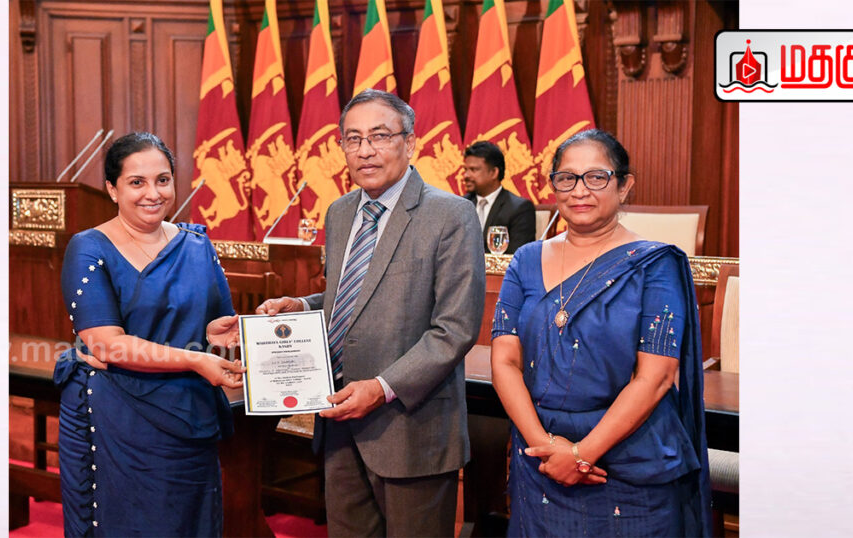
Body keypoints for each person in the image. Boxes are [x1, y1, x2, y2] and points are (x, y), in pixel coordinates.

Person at [252, 89, 486, 536]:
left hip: (410, 428)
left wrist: (381, 389)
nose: (365, 150)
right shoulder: (340, 212)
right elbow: (353, 296)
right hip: (339, 421)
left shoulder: (451, 215)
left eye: (379, 136)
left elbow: (454, 329)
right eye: (353, 139)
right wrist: (301, 306)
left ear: (409, 142)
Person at [489, 129, 711, 537]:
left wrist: (580, 455)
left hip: (628, 462)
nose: (580, 190)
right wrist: (545, 447)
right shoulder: (525, 260)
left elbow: (656, 377)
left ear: (624, 186)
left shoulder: (654, 265)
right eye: (567, 178)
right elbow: (504, 360)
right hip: (539, 460)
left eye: (596, 177)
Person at [52, 132, 245, 537]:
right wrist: (195, 358)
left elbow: (215, 323)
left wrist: (215, 332)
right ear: (112, 188)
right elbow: (106, 344)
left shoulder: (196, 244)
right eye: (136, 182)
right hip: (116, 416)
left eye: (163, 180)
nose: (153, 194)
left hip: (188, 411)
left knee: (188, 523)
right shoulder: (89, 248)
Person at [462, 140, 536, 254]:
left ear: (494, 172)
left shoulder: (519, 209)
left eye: (473, 170)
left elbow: (518, 255)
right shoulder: (461, 205)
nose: (466, 175)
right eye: (465, 169)